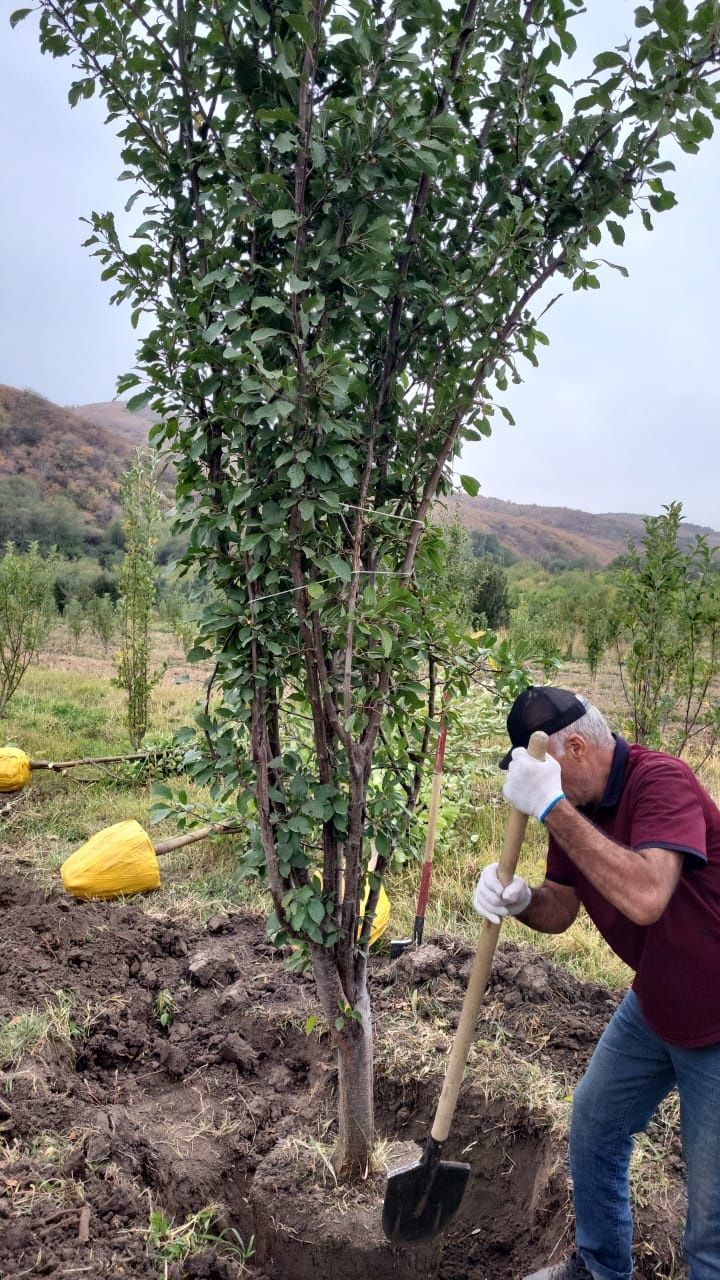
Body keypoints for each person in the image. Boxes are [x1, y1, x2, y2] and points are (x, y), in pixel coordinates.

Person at [472, 686, 720, 1280]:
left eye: (543, 776)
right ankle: (601, 1267)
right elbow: (563, 909)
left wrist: (552, 806)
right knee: (595, 1126)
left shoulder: (664, 782)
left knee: (711, 1218)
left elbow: (645, 897)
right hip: (657, 1000)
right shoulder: (574, 808)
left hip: (717, 1016)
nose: (541, 797)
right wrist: (524, 897)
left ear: (576, 747)